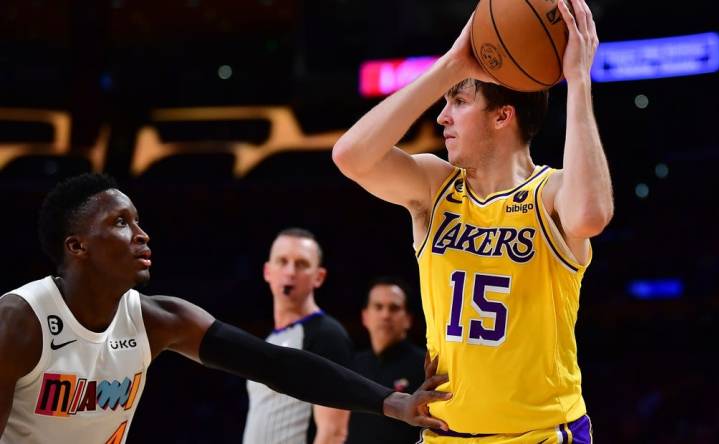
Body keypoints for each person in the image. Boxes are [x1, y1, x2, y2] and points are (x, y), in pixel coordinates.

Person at [332, 0, 612, 441]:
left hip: (540, 434)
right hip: (447, 433)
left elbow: (592, 214)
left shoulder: (551, 193)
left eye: (459, 101)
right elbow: (350, 156)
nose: (442, 116)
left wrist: (578, 80)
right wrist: (450, 67)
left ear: (503, 115)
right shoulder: (434, 186)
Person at [0, 173, 451, 444]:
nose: (142, 234)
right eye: (120, 223)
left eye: (138, 221)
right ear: (76, 246)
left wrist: (392, 401)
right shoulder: (21, 321)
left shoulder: (156, 320)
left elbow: (272, 363)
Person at [243, 228, 353, 444]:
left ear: (319, 277)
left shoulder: (327, 335)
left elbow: (333, 432)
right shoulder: (271, 338)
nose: (290, 272)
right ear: (267, 271)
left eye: (301, 264)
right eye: (282, 261)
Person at [347, 277, 425, 444]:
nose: (385, 315)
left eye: (394, 308)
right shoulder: (352, 366)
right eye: (378, 307)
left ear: (408, 319)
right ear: (365, 317)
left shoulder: (425, 366)